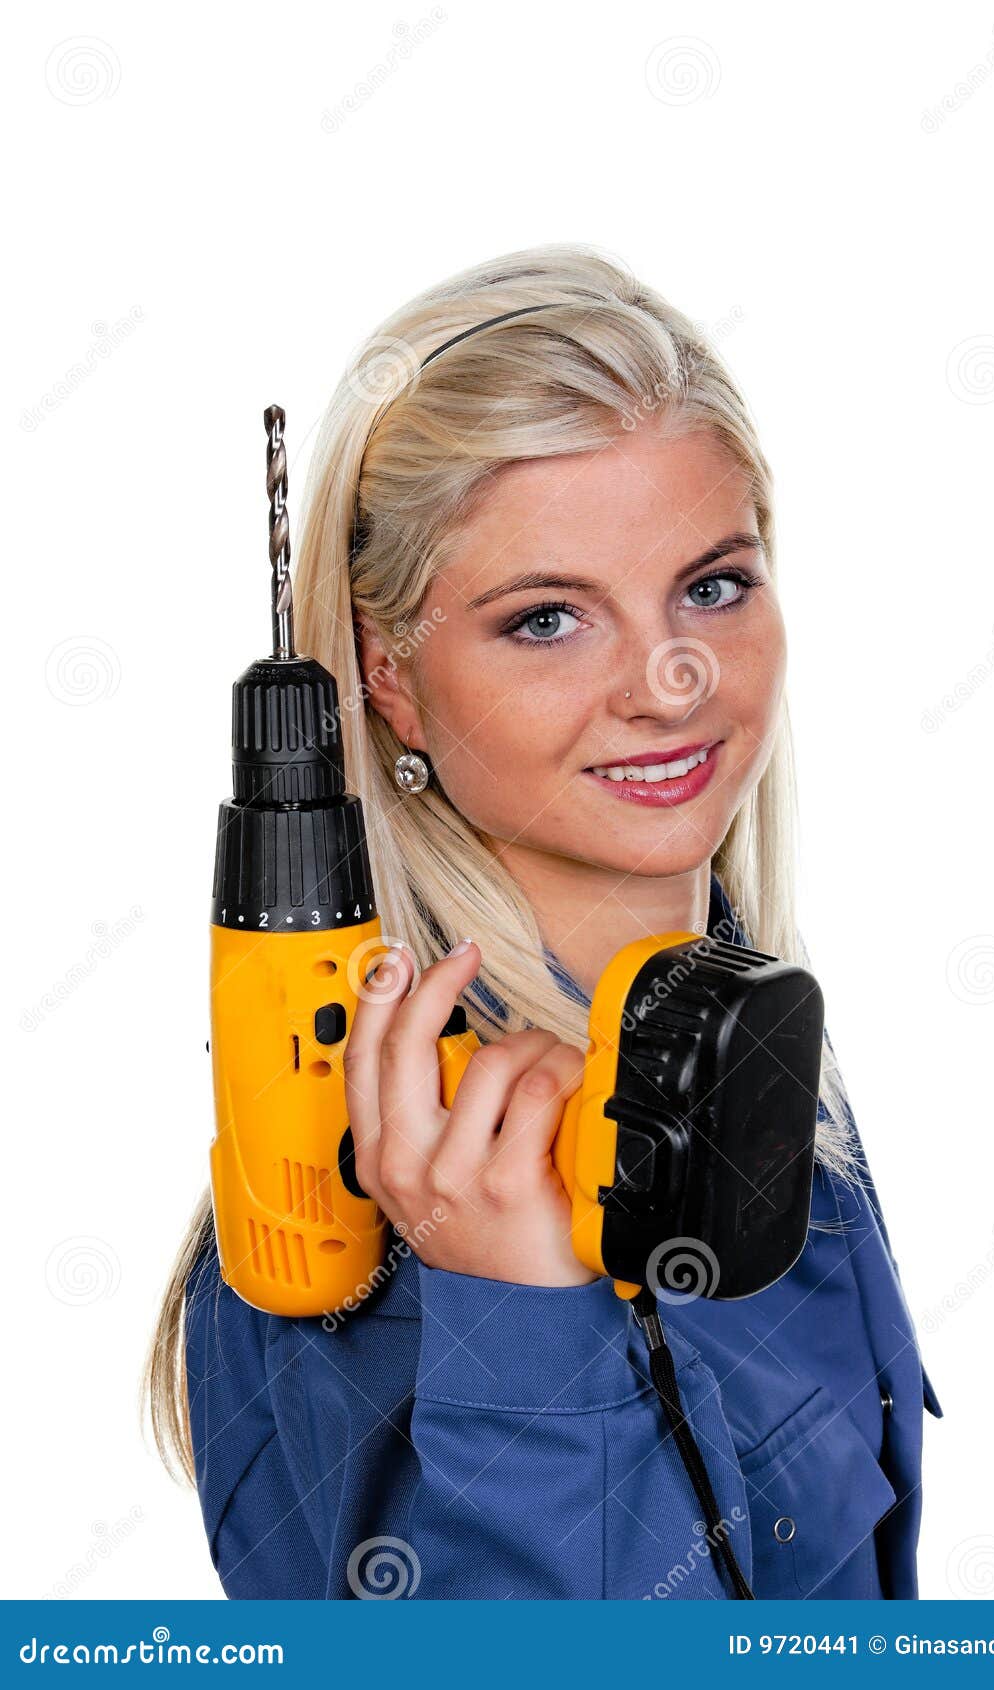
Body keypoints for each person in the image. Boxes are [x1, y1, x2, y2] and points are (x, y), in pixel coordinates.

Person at [144, 243, 942, 1600]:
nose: (671, 680)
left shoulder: (731, 1038)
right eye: (550, 617)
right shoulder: (359, 1212)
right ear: (388, 682)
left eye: (713, 585)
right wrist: (524, 1322)